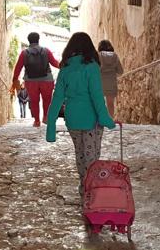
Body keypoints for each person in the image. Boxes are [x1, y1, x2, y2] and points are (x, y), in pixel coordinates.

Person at [45, 32, 116, 197]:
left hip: (73, 119)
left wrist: (51, 126)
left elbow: (57, 98)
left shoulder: (66, 68)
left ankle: (83, 189)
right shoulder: (91, 67)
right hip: (91, 120)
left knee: (81, 155)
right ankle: (91, 193)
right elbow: (97, 96)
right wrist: (106, 118)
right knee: (92, 159)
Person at [12, 32, 60, 127]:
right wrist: (67, 66)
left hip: (30, 80)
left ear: (28, 41)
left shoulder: (24, 53)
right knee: (47, 99)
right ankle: (45, 117)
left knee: (34, 101)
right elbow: (55, 63)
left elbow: (18, 68)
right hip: (47, 79)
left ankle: (37, 121)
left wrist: (14, 80)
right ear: (38, 39)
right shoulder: (46, 51)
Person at [98, 39, 124, 118]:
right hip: (111, 83)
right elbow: (120, 71)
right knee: (110, 103)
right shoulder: (115, 56)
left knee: (99, 103)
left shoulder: (97, 55)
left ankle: (99, 121)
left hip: (99, 83)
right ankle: (110, 120)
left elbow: (94, 69)